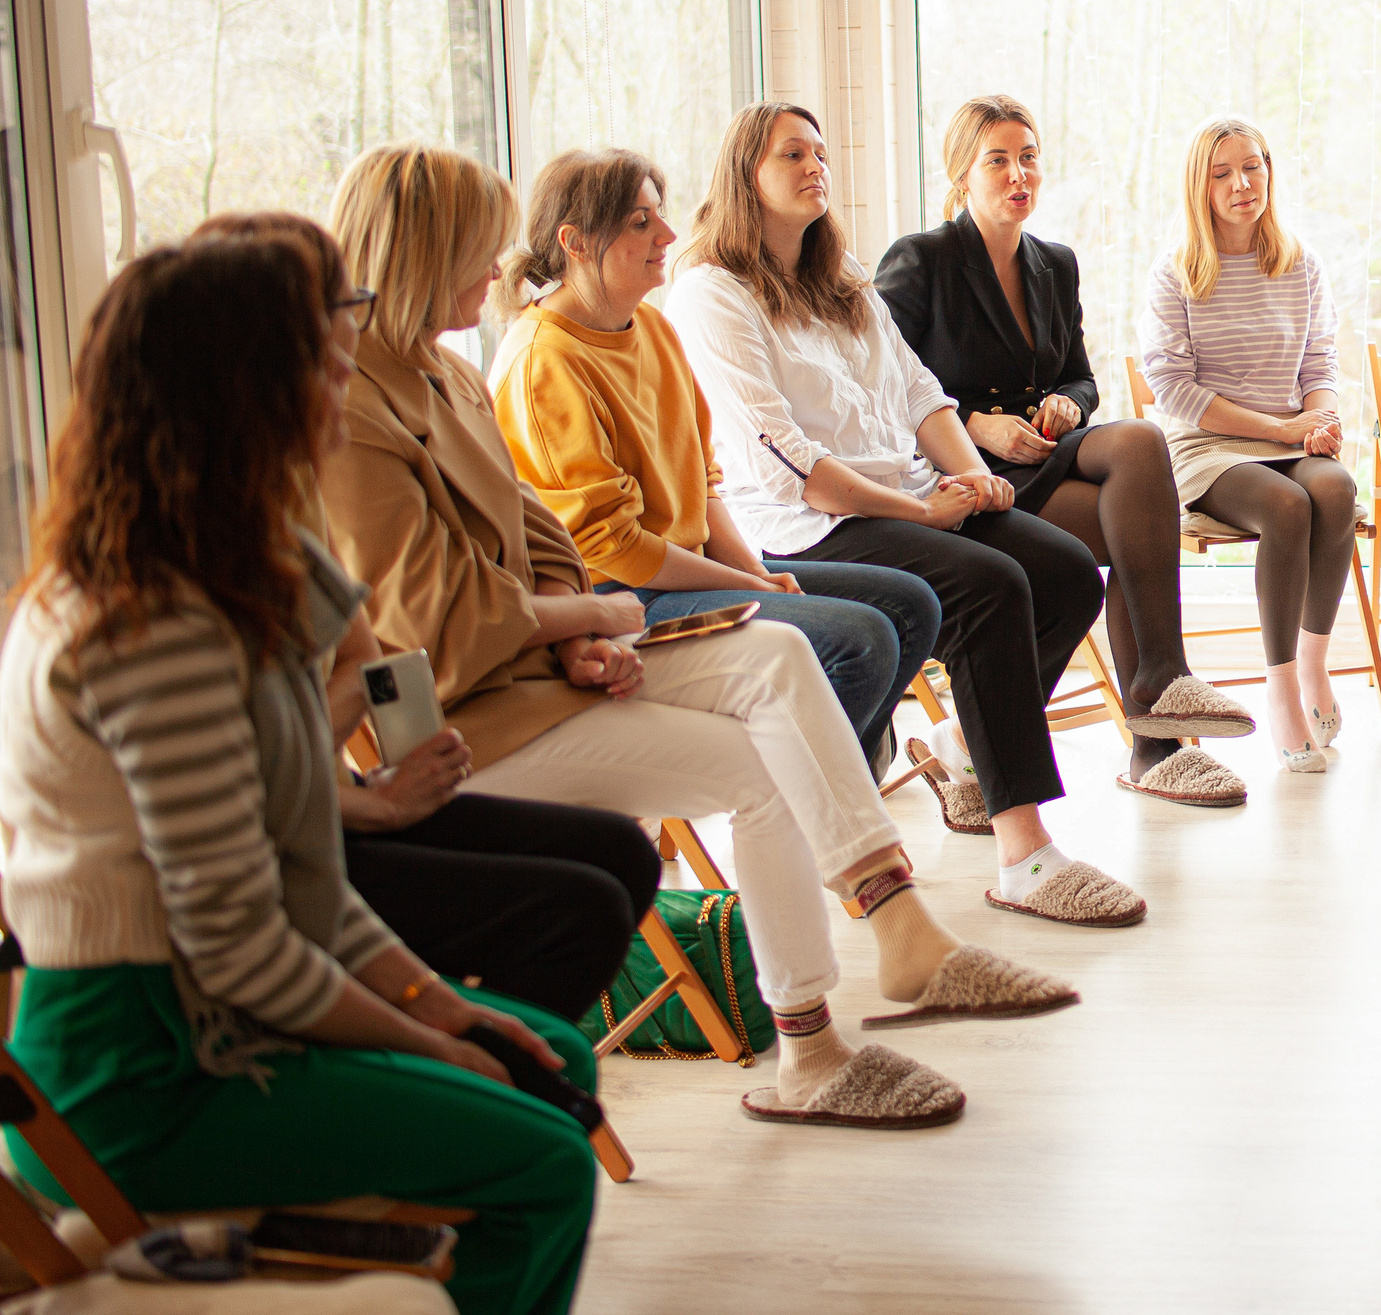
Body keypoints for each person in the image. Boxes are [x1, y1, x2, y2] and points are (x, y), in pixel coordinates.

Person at [328, 143, 1075, 1129]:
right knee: (793, 662)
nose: (497, 267)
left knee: (776, 687)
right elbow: (432, 616)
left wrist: (569, 626)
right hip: (451, 728)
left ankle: (817, 1037)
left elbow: (537, 532)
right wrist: (587, 618)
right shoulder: (353, 405)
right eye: (478, 246)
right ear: (421, 251)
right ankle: (885, 945)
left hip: (529, 673)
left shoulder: (443, 374)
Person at [0, 235, 595, 1315]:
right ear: (242, 396)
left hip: (211, 1021)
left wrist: (436, 1010)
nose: (342, 382)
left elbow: (303, 874)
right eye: (321, 362)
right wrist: (431, 1036)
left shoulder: (228, 572)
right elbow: (239, 944)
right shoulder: (146, 626)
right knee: (546, 1156)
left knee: (548, 1057)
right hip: (143, 1072)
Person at [661, 104, 1148, 928]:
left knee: (1065, 570)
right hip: (810, 522)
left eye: (820, 150)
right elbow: (789, 460)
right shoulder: (713, 294)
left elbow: (923, 393)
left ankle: (968, 745)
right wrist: (922, 508)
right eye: (792, 154)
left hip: (912, 490)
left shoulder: (841, 279)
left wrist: (970, 476)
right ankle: (1024, 850)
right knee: (990, 584)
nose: (816, 164)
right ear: (746, 174)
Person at [190, 208, 662, 1025]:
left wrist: (394, 764)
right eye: (338, 336)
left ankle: (507, 1084)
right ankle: (507, 1093)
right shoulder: (176, 570)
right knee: (577, 908)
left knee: (618, 853)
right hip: (268, 860)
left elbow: (363, 663)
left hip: (325, 803)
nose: (351, 364)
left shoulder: (282, 499)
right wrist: (369, 801)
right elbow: (222, 818)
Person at [486, 146, 937, 783]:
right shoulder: (543, 362)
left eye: (659, 215)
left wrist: (753, 573)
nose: (667, 234)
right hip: (616, 601)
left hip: (688, 572)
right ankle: (801, 805)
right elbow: (614, 550)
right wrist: (748, 587)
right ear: (576, 242)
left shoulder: (651, 327)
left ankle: (827, 795)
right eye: (640, 222)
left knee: (912, 604)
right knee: (861, 639)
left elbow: (704, 481)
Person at [876, 94, 1256, 805]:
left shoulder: (1056, 263)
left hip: (1043, 456)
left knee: (1141, 442)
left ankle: (1159, 687)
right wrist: (973, 423)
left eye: (1028, 157)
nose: (1019, 174)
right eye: (998, 160)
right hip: (964, 474)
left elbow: (1080, 374)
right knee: (1125, 522)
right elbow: (875, 385)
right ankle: (1153, 743)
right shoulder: (922, 260)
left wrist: (1068, 403)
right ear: (962, 174)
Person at [1139, 116, 1358, 774]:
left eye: (1253, 166)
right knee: (1288, 505)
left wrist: (1320, 417)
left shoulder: (1301, 264)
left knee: (1337, 488)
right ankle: (1281, 685)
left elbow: (1321, 366)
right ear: (1200, 186)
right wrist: (1283, 429)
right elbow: (1173, 392)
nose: (1242, 183)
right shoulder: (1175, 273)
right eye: (1223, 172)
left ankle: (1315, 666)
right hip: (1207, 451)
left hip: (1289, 436)